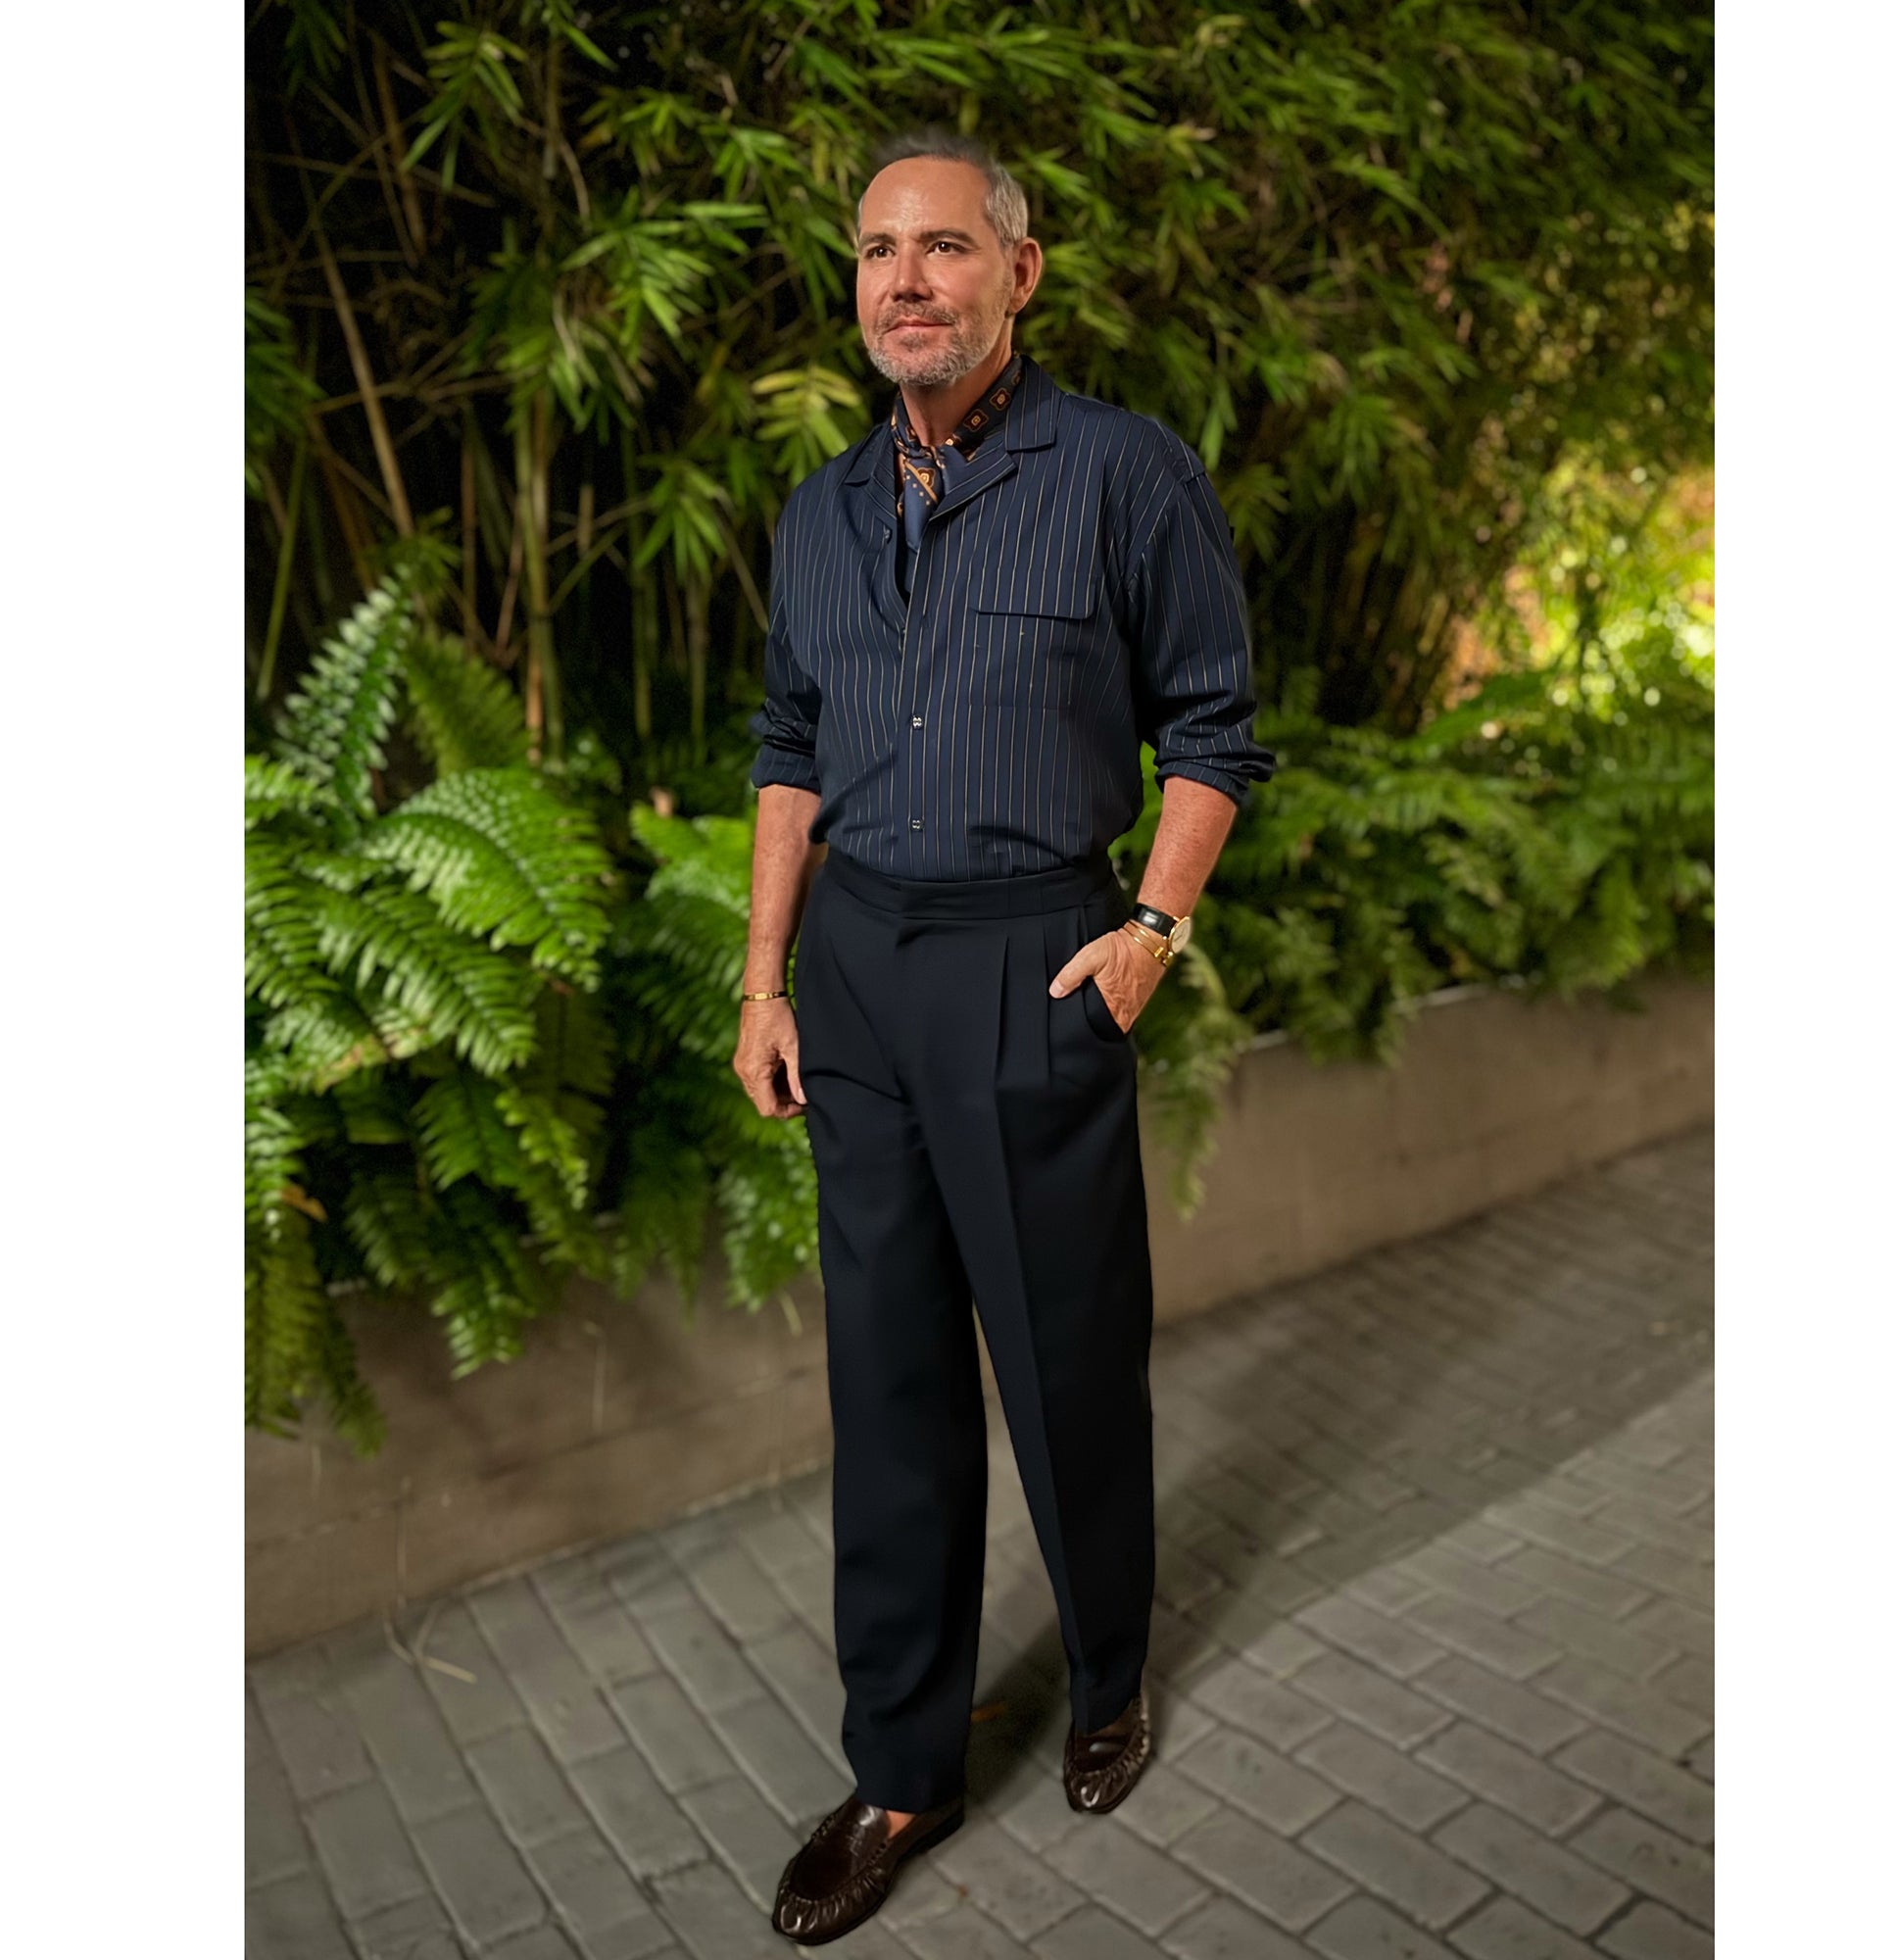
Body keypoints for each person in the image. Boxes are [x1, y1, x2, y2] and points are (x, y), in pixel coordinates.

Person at [732, 126, 1276, 1946]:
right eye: (878, 248)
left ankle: (1108, 1673)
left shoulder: (1123, 473)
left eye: (946, 246)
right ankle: (902, 1767)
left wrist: (1151, 934)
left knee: (1065, 1364)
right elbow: (787, 747)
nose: (906, 279)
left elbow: (1214, 726)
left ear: (1019, 273)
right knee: (885, 1386)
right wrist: (765, 978)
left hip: (1039, 956)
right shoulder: (818, 510)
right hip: (857, 977)